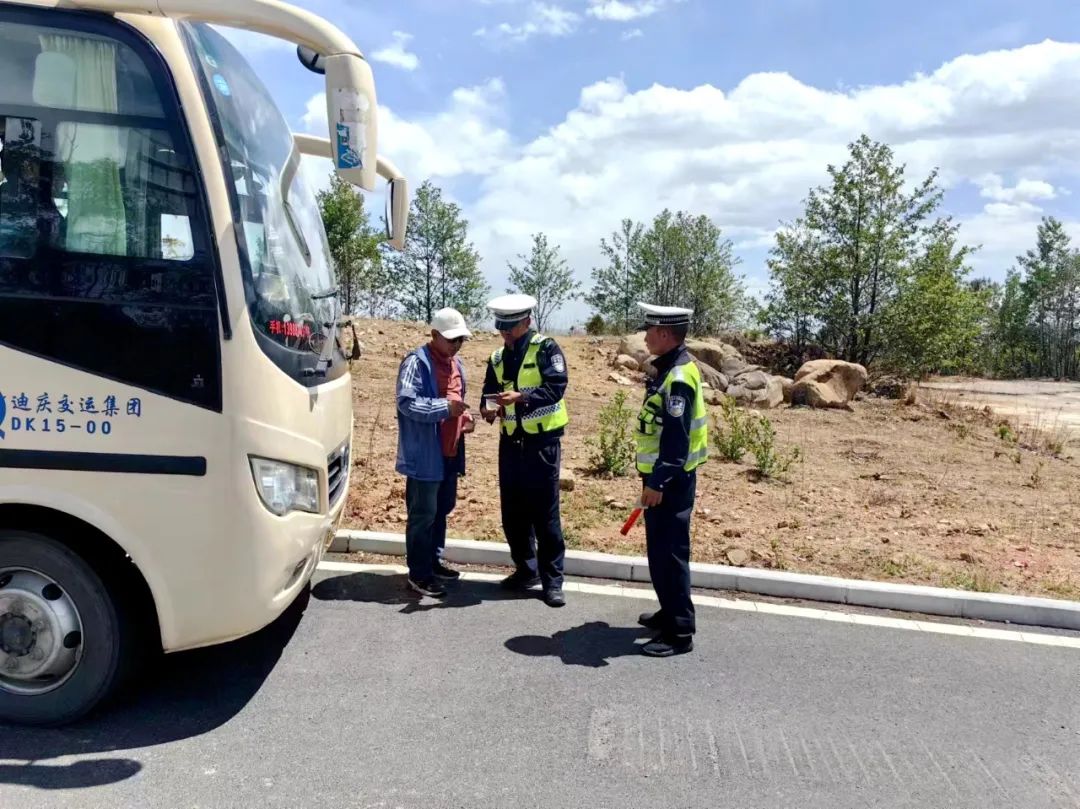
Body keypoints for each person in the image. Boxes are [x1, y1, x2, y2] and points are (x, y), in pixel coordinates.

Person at [479, 294, 569, 608]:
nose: (505, 333)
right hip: (511, 445)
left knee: (545, 515)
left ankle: (553, 580)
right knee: (513, 514)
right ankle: (525, 569)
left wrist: (522, 397)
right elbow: (488, 394)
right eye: (502, 327)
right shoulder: (498, 357)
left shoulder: (546, 348)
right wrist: (488, 410)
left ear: (527, 322)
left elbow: (556, 387)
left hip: (542, 445)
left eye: (511, 327)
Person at [633, 302, 708, 656]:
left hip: (670, 481)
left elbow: (676, 444)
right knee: (660, 551)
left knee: (670, 554)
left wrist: (657, 483)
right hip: (663, 477)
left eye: (649, 330)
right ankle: (668, 611)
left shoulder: (677, 378)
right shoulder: (669, 368)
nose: (645, 336)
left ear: (664, 334)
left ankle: (679, 633)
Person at [395, 308, 475, 598]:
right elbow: (406, 403)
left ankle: (433, 561)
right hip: (425, 455)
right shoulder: (417, 363)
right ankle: (419, 574)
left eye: (460, 340)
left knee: (442, 509)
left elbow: (457, 402)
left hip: (449, 451)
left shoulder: (457, 364)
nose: (456, 345)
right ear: (434, 335)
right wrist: (444, 409)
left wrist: (463, 420)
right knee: (422, 514)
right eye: (451, 339)